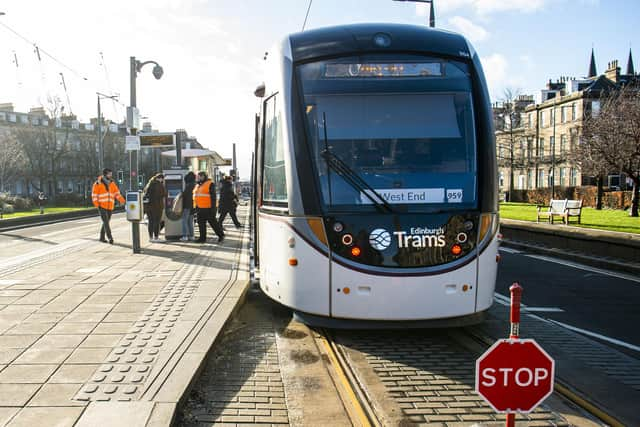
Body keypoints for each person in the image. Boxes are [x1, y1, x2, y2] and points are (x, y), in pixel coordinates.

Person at [91, 168, 125, 244]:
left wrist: (122, 200)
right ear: (105, 174)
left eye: (111, 174)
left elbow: (116, 193)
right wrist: (97, 205)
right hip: (101, 206)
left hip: (110, 206)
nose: (111, 175)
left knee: (106, 222)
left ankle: (101, 237)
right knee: (106, 222)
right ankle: (110, 238)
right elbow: (94, 195)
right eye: (109, 174)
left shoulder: (112, 183)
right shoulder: (97, 183)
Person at [193, 171, 224, 243]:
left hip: (208, 208)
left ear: (204, 176)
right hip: (199, 208)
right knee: (201, 224)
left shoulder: (210, 184)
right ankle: (202, 238)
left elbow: (213, 197)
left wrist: (213, 209)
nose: (199, 178)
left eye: (200, 176)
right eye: (198, 176)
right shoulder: (198, 185)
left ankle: (221, 235)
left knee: (213, 223)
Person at [143, 173, 167, 242]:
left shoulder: (149, 184)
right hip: (157, 206)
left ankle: (150, 238)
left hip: (148, 207)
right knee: (157, 222)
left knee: (151, 222)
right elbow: (164, 194)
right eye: (163, 179)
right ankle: (156, 237)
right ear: (160, 178)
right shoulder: (159, 185)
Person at [180, 172, 196, 241]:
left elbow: (185, 195)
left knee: (184, 221)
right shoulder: (195, 185)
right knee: (190, 221)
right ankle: (191, 236)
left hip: (187, 206)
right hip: (193, 206)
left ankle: (185, 236)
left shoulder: (188, 186)